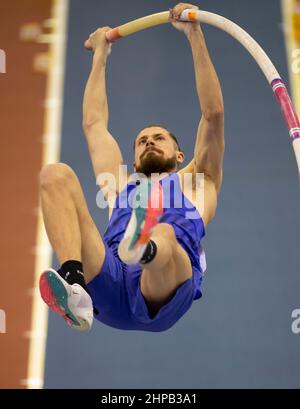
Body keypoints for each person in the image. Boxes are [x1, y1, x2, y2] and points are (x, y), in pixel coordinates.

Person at [39, 3, 224, 332]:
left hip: (164, 291)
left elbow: (213, 115)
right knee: (55, 175)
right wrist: (100, 55)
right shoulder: (119, 183)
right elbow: (94, 124)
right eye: (142, 141)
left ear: (180, 155)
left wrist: (194, 33)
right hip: (111, 283)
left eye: (158, 138)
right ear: (135, 157)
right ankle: (75, 287)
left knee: (165, 233)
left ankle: (144, 246)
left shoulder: (200, 180)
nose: (149, 142)